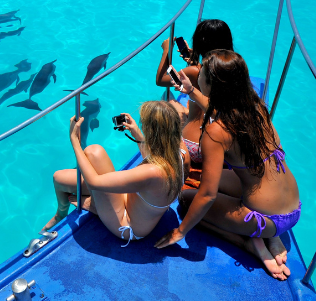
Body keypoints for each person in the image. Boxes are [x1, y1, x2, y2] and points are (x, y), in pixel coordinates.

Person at [155, 50, 301, 281]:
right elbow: (221, 110)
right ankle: (272, 236)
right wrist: (192, 91)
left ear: (211, 84)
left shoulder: (215, 133)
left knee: (187, 202)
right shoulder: (257, 107)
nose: (197, 75)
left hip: (266, 219)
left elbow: (207, 195)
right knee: (220, 179)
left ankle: (250, 243)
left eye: (200, 74)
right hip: (293, 207)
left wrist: (180, 231)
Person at [41, 101, 187, 247]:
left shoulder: (152, 172)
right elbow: (153, 157)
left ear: (152, 132)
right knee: (85, 158)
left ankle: (95, 206)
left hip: (128, 225)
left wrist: (75, 141)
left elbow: (94, 182)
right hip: (135, 202)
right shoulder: (180, 152)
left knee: (88, 157)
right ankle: (62, 212)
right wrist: (135, 130)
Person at [154, 19, 234, 189]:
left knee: (167, 95)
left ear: (199, 43)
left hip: (195, 148)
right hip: (223, 144)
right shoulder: (233, 66)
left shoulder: (196, 71)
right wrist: (193, 60)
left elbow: (161, 80)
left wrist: (166, 51)